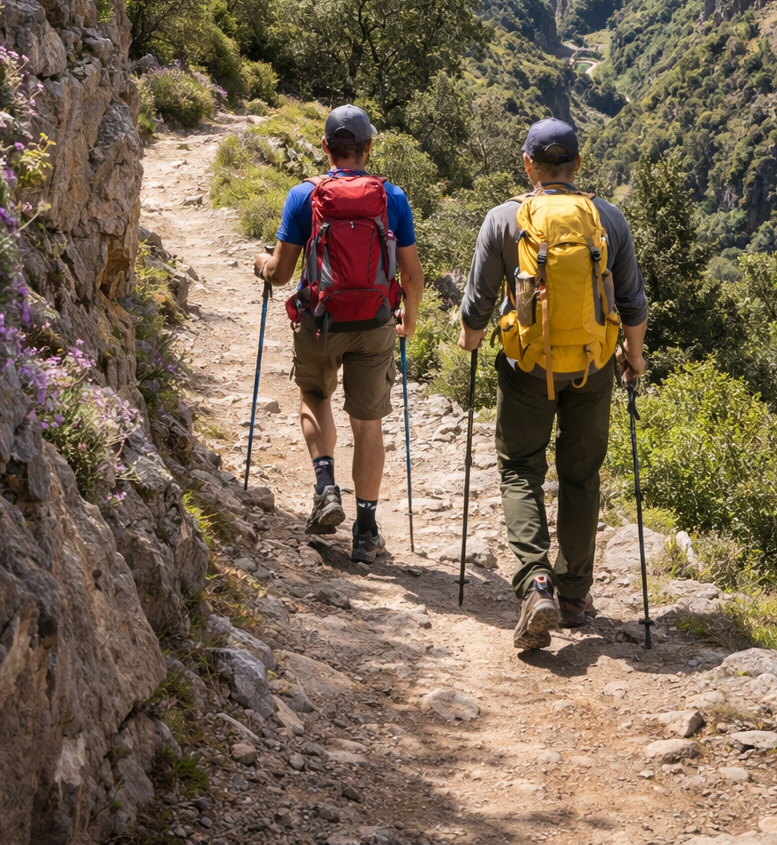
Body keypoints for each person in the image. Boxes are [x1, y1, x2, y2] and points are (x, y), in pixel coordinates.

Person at [458, 117, 648, 650]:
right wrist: (632, 358)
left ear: (528, 166)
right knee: (581, 474)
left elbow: (477, 303)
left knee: (521, 466)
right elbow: (631, 302)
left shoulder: (504, 219)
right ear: (578, 166)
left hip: (527, 367)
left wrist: (472, 343)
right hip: (592, 366)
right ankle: (573, 594)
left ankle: (535, 581)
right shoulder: (608, 218)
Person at [254, 104, 424, 564]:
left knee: (313, 395)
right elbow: (411, 275)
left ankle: (326, 488)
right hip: (374, 323)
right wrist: (409, 318)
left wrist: (262, 265)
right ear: (369, 148)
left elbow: (282, 273)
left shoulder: (302, 196)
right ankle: (366, 530)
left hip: (320, 322)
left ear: (326, 147)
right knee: (368, 423)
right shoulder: (393, 198)